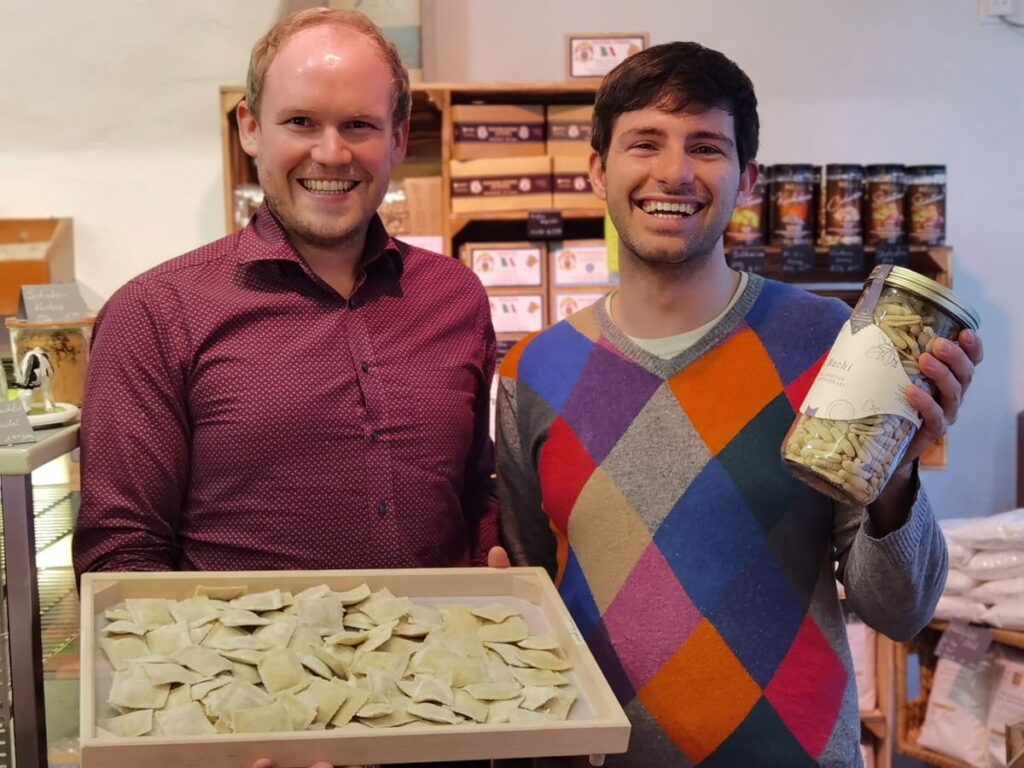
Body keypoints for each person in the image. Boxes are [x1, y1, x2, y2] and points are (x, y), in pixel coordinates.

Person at [495, 42, 983, 766]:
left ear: (747, 179)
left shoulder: (831, 344)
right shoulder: (534, 372)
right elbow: (530, 599)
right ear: (598, 169)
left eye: (706, 146)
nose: (675, 171)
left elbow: (899, 611)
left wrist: (896, 479)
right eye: (645, 143)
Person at [73, 8, 504, 577]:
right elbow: (121, 553)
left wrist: (492, 556)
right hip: (241, 663)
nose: (331, 153)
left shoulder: (455, 297)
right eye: (301, 122)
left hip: (440, 657)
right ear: (250, 127)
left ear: (397, 138)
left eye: (359, 125)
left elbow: (475, 490)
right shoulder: (155, 313)